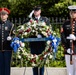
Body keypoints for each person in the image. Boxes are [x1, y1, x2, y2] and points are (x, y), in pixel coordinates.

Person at [27, 5, 50, 75]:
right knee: (34, 62)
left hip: (41, 44)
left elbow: (48, 30)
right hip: (33, 44)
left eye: (37, 10)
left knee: (41, 62)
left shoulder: (45, 19)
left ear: (40, 11)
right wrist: (29, 17)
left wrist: (42, 35)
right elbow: (25, 28)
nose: (35, 12)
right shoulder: (30, 20)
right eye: (34, 11)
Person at [61, 5, 76, 75]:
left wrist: (75, 38)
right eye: (72, 12)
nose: (73, 14)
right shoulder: (65, 23)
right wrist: (66, 48)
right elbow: (62, 36)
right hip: (68, 50)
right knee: (70, 71)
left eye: (75, 12)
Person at [0, 8, 14, 75]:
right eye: (1, 14)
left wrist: (11, 37)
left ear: (7, 15)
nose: (2, 16)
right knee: (0, 66)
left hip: (7, 48)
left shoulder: (11, 25)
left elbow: (15, 35)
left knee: (7, 65)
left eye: (4, 14)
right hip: (0, 48)